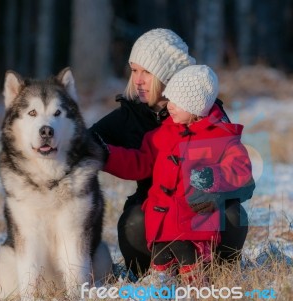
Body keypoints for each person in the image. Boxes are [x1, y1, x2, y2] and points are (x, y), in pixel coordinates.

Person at [89, 28, 255, 277]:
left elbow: (241, 175)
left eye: (146, 71)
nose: (137, 80)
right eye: (134, 70)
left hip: (202, 207)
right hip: (156, 210)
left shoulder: (209, 113)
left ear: (167, 75)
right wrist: (101, 153)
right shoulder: (130, 116)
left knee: (233, 214)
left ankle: (216, 269)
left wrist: (211, 181)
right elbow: (108, 150)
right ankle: (152, 274)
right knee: (134, 221)